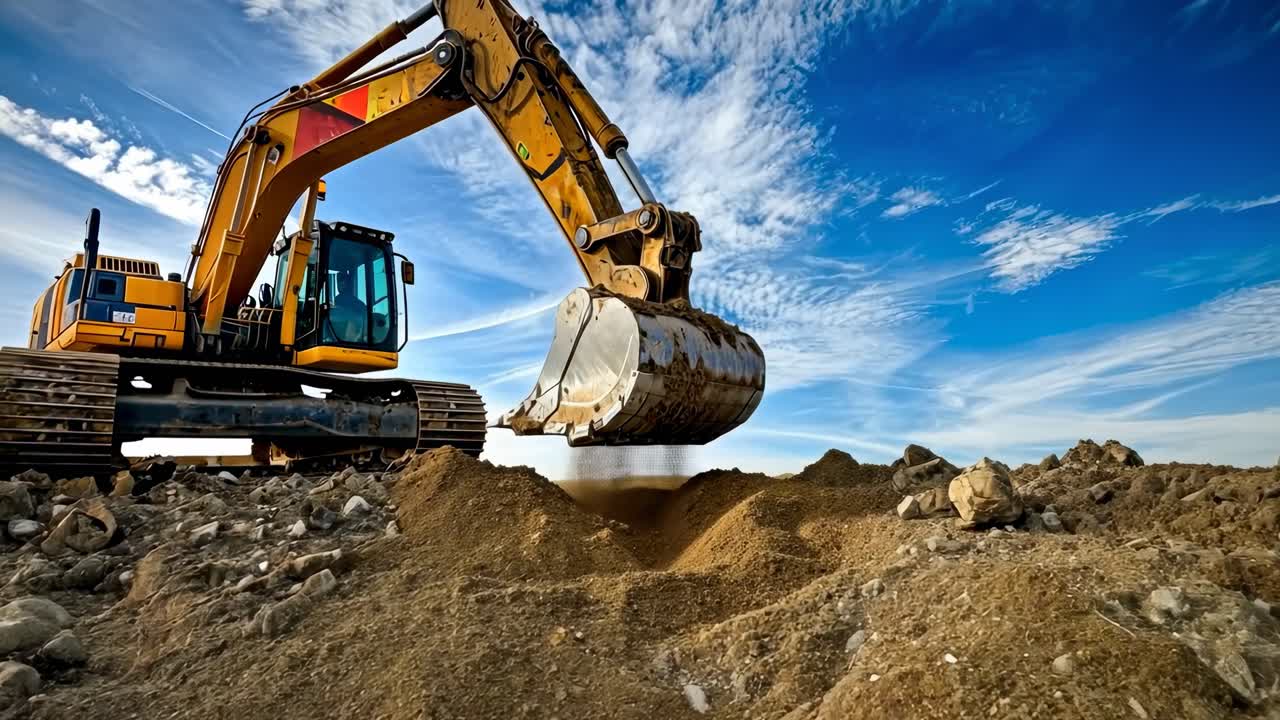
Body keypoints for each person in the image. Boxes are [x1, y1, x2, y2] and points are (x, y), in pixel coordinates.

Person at [328, 270, 366, 343]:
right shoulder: (339, 300)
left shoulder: (357, 305)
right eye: (338, 281)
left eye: (342, 280)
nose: (340, 284)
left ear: (348, 283)